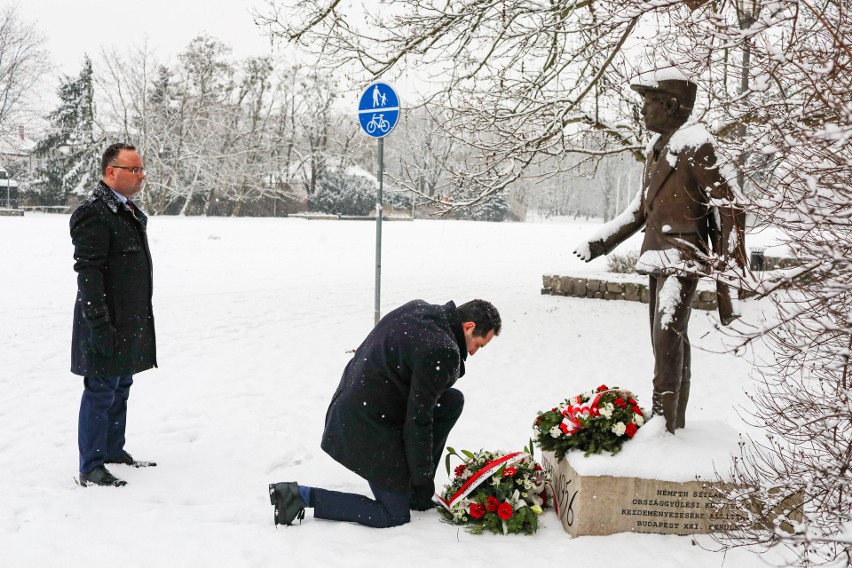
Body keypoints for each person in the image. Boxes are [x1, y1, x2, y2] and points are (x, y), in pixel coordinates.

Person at [573, 68, 746, 434]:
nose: (643, 110)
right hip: (656, 257)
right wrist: (601, 242)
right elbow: (640, 209)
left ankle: (663, 423)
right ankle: (670, 422)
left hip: (684, 258)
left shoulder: (697, 145)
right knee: (666, 341)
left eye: (649, 102)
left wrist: (729, 270)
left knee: (667, 338)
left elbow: (732, 207)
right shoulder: (658, 149)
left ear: (670, 105)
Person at [268, 299, 501, 528]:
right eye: (478, 344)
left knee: (451, 401)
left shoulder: (421, 310)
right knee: (394, 515)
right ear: (468, 327)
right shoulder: (442, 349)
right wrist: (423, 481)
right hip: (366, 424)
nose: (473, 352)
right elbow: (418, 421)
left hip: (358, 404)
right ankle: (298, 496)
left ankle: (411, 488)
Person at [70, 142, 157, 487]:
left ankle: (111, 450)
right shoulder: (95, 212)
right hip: (105, 321)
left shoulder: (125, 210)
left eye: (140, 169)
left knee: (121, 385)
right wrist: (99, 326)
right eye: (133, 170)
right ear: (111, 172)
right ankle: (90, 467)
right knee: (100, 390)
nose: (141, 176)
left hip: (129, 320)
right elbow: (88, 274)